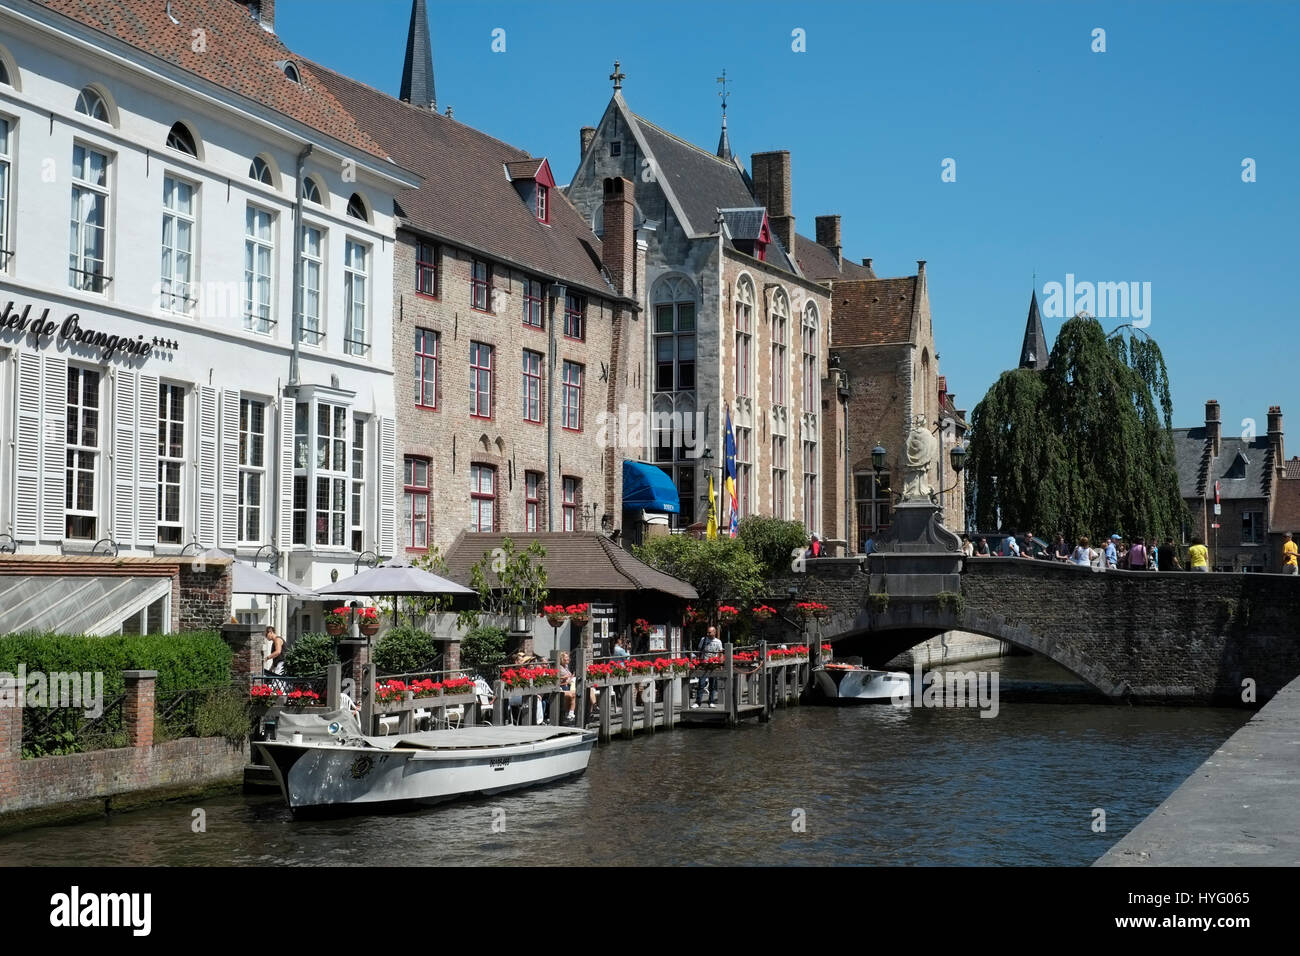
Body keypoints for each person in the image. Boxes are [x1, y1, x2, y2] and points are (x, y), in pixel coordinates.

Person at [694, 625, 722, 708]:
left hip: (713, 664)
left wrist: (720, 664)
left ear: (714, 632)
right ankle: (698, 702)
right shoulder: (703, 639)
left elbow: (720, 653)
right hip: (704, 663)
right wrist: (698, 662)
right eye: (707, 632)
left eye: (710, 632)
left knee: (712, 684)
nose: (708, 634)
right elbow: (699, 651)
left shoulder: (718, 642)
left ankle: (711, 701)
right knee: (701, 683)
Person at [557, 652, 576, 725]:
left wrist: (569, 678)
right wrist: (567, 678)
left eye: (568, 657)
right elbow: (560, 679)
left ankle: (569, 714)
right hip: (561, 687)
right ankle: (570, 714)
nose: (568, 659)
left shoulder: (566, 666)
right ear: (562, 659)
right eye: (566, 657)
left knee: (574, 694)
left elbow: (568, 676)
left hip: (567, 685)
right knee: (572, 695)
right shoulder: (559, 667)